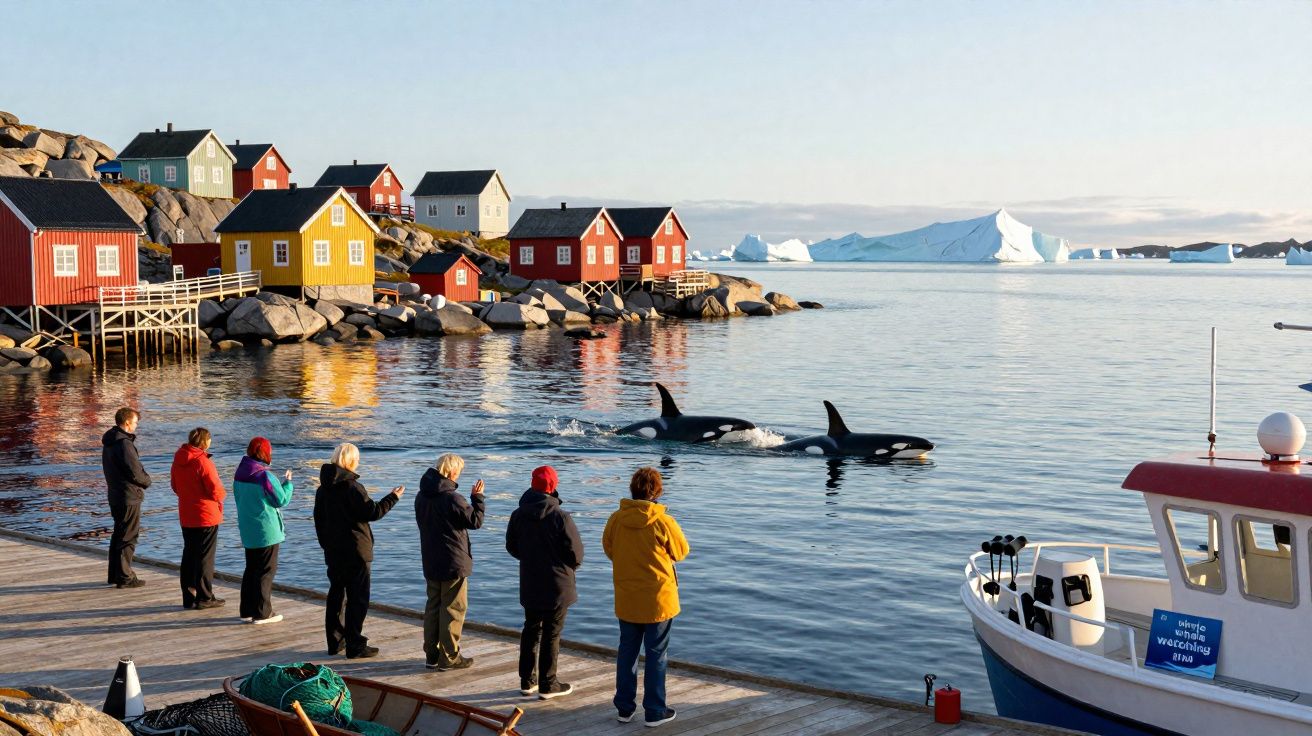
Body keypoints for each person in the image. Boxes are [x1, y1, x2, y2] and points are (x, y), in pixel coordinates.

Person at [602, 467, 689, 728]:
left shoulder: (616, 519)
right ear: (658, 491)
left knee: (626, 652)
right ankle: (654, 710)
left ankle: (624, 708)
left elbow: (609, 549)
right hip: (658, 599)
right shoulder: (664, 521)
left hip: (627, 596)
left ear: (632, 488)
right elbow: (681, 552)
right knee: (656, 655)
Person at [313, 443, 402, 659]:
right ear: (351, 461)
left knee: (336, 594)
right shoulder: (352, 487)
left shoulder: (322, 489)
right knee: (357, 598)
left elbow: (319, 520)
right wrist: (393, 497)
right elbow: (372, 512)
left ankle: (335, 642)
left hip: (333, 551)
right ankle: (355, 644)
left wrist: (326, 544)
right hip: (356, 551)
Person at [506, 465, 583, 699]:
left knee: (531, 629)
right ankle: (549, 684)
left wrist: (530, 559)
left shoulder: (518, 514)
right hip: (558, 584)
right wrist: (568, 567)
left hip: (531, 581)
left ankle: (527, 681)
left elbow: (511, 547)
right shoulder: (560, 516)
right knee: (551, 633)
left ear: (532, 484)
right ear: (553, 487)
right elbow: (576, 554)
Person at [415, 453, 484, 671]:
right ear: (452, 471)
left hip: (431, 558)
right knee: (453, 609)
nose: (460, 475)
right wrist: (478, 499)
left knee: (433, 607)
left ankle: (432, 655)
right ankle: (450, 657)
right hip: (453, 560)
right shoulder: (453, 498)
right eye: (459, 471)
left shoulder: (421, 496)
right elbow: (475, 521)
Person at [233, 437, 293, 625]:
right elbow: (280, 500)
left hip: (248, 528)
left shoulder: (239, 474)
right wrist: (287, 484)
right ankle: (262, 612)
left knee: (251, 569)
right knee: (266, 571)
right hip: (266, 530)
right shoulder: (264, 476)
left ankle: (247, 610)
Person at [170, 428, 226, 609]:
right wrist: (222, 495)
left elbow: (175, 486)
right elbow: (216, 490)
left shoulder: (178, 460)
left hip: (187, 513)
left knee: (189, 554)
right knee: (205, 557)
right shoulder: (203, 461)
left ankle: (188, 594)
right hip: (205, 515)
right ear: (205, 442)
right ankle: (205, 596)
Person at [102, 407, 151, 589]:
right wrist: (147, 481)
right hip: (128, 495)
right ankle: (125, 576)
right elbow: (135, 471)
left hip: (115, 494)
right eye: (135, 422)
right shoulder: (124, 444)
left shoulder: (110, 441)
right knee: (128, 536)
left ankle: (115, 574)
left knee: (119, 534)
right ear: (127, 422)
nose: (137, 426)